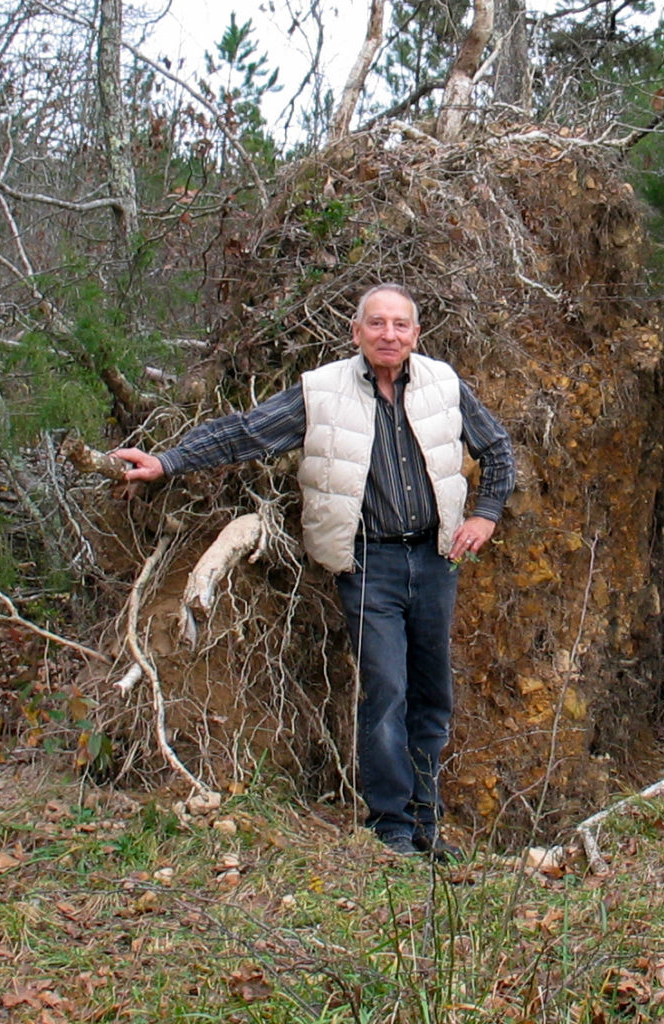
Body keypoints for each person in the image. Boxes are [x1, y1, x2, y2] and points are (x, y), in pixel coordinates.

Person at [114, 283, 515, 860]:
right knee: (386, 691)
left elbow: (498, 449)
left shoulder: (443, 384)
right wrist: (168, 460)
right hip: (368, 563)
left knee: (433, 695)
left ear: (415, 334)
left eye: (400, 325)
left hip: (437, 559)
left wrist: (485, 517)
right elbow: (246, 432)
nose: (389, 335)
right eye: (376, 324)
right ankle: (392, 827)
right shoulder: (321, 391)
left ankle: (429, 822)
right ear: (356, 332)